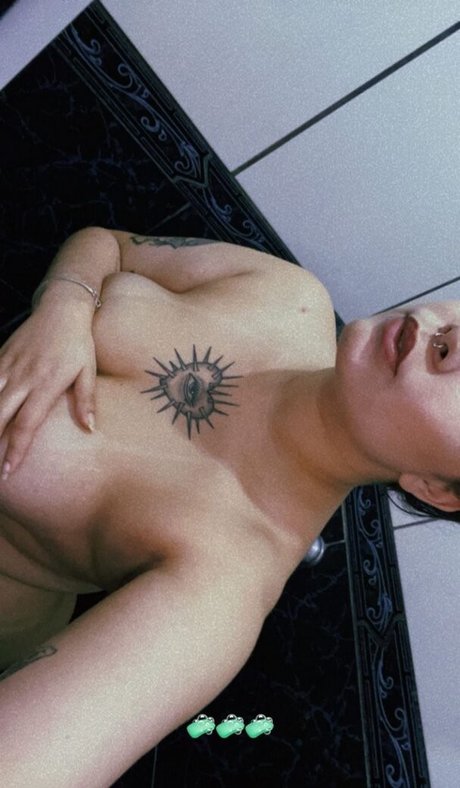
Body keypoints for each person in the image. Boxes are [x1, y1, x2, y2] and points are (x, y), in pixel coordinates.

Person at [0, 226, 458, 785]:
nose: (455, 339)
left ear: (436, 489)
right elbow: (107, 245)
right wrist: (63, 308)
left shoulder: (221, 586)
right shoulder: (291, 294)